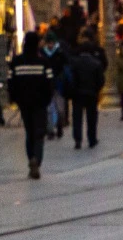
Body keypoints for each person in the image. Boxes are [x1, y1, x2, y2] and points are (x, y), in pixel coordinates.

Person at [9, 32, 55, 178]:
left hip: (24, 103)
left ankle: (31, 159)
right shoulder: (43, 62)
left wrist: (15, 99)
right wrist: (47, 100)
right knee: (39, 134)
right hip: (40, 103)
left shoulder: (16, 62)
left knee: (29, 132)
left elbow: (11, 82)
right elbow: (49, 84)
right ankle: (36, 160)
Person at [66, 30, 106, 149]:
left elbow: (72, 79)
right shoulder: (96, 63)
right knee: (91, 117)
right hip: (91, 93)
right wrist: (96, 89)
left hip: (78, 93)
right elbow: (101, 80)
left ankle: (77, 139)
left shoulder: (75, 63)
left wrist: (73, 90)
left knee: (77, 117)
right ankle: (92, 139)